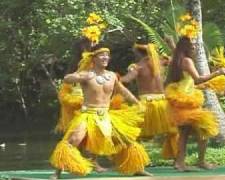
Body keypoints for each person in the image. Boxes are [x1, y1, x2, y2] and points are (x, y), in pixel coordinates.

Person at [50, 47, 151, 179]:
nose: (105, 58)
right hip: (88, 114)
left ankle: (137, 168)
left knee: (126, 140)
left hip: (106, 115)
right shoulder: (87, 75)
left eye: (107, 56)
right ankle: (57, 172)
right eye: (102, 55)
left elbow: (123, 91)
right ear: (94, 58)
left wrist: (137, 102)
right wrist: (79, 75)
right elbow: (67, 78)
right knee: (73, 140)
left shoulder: (112, 76)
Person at [165, 36, 225, 171]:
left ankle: (180, 163)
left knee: (184, 134)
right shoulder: (187, 61)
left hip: (179, 101)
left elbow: (176, 51)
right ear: (186, 48)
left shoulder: (177, 60)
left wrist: (171, 43)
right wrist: (218, 73)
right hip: (187, 102)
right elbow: (198, 79)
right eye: (192, 45)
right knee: (204, 131)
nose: (194, 47)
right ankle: (200, 161)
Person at [121, 43, 178, 159]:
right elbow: (178, 58)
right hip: (163, 103)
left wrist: (114, 78)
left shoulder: (138, 67)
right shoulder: (161, 63)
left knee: (136, 133)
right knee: (173, 131)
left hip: (146, 104)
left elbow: (126, 80)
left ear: (138, 53)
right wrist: (171, 43)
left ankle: (134, 160)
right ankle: (178, 160)